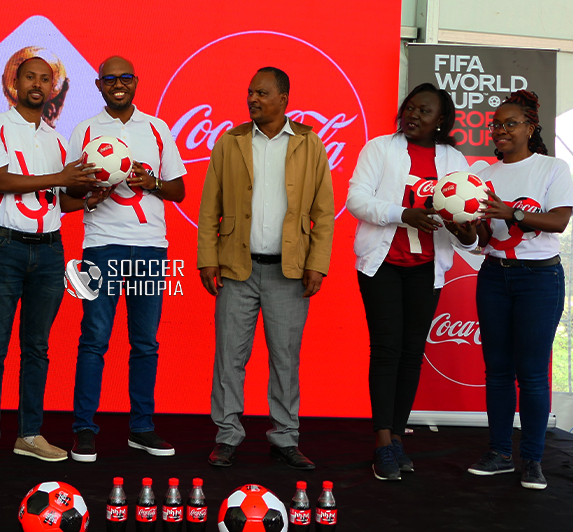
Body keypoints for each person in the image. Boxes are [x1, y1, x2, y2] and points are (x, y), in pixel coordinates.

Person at [197, 66, 334, 469]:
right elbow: (209, 207)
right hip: (236, 268)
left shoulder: (309, 143)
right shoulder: (231, 141)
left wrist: (317, 263)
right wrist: (208, 258)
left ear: (283, 99)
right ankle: (227, 436)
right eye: (250, 92)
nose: (252, 99)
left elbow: (324, 212)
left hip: (289, 272)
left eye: (261, 93)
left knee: (285, 359)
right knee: (229, 358)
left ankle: (285, 438)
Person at [0, 56, 98, 467]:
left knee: (37, 348)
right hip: (3, 248)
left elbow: (61, 201)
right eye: (30, 77)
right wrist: (62, 178)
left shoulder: (58, 141)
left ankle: (29, 434)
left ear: (53, 89)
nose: (37, 85)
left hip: (49, 251)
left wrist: (94, 194)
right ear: (15, 83)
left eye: (45, 79)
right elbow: (1, 181)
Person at [346, 83, 476, 481]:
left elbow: (466, 226)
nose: (413, 115)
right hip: (382, 264)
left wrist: (465, 229)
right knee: (387, 350)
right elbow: (356, 200)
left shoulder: (455, 160)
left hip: (427, 268)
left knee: (411, 353)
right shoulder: (380, 149)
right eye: (410, 107)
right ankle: (382, 441)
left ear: (441, 121)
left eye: (424, 111)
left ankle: (398, 436)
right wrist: (403, 214)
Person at [64, 56, 187, 462]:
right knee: (94, 340)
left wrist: (151, 182)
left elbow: (178, 191)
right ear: (99, 85)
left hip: (151, 247)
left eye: (126, 78)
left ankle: (142, 428)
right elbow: (66, 194)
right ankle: (84, 429)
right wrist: (91, 191)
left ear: (136, 82)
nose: (119, 84)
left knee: (146, 343)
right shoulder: (84, 130)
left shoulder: (157, 128)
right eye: (110, 79)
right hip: (101, 245)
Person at [464, 90, 572, 490]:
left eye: (511, 124)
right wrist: (465, 226)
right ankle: (499, 454)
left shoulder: (552, 168)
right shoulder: (482, 173)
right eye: (496, 125)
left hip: (539, 279)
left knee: (532, 374)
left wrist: (513, 212)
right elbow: (480, 240)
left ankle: (533, 460)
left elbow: (559, 221)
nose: (501, 130)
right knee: (497, 371)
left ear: (531, 127)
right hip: (494, 275)